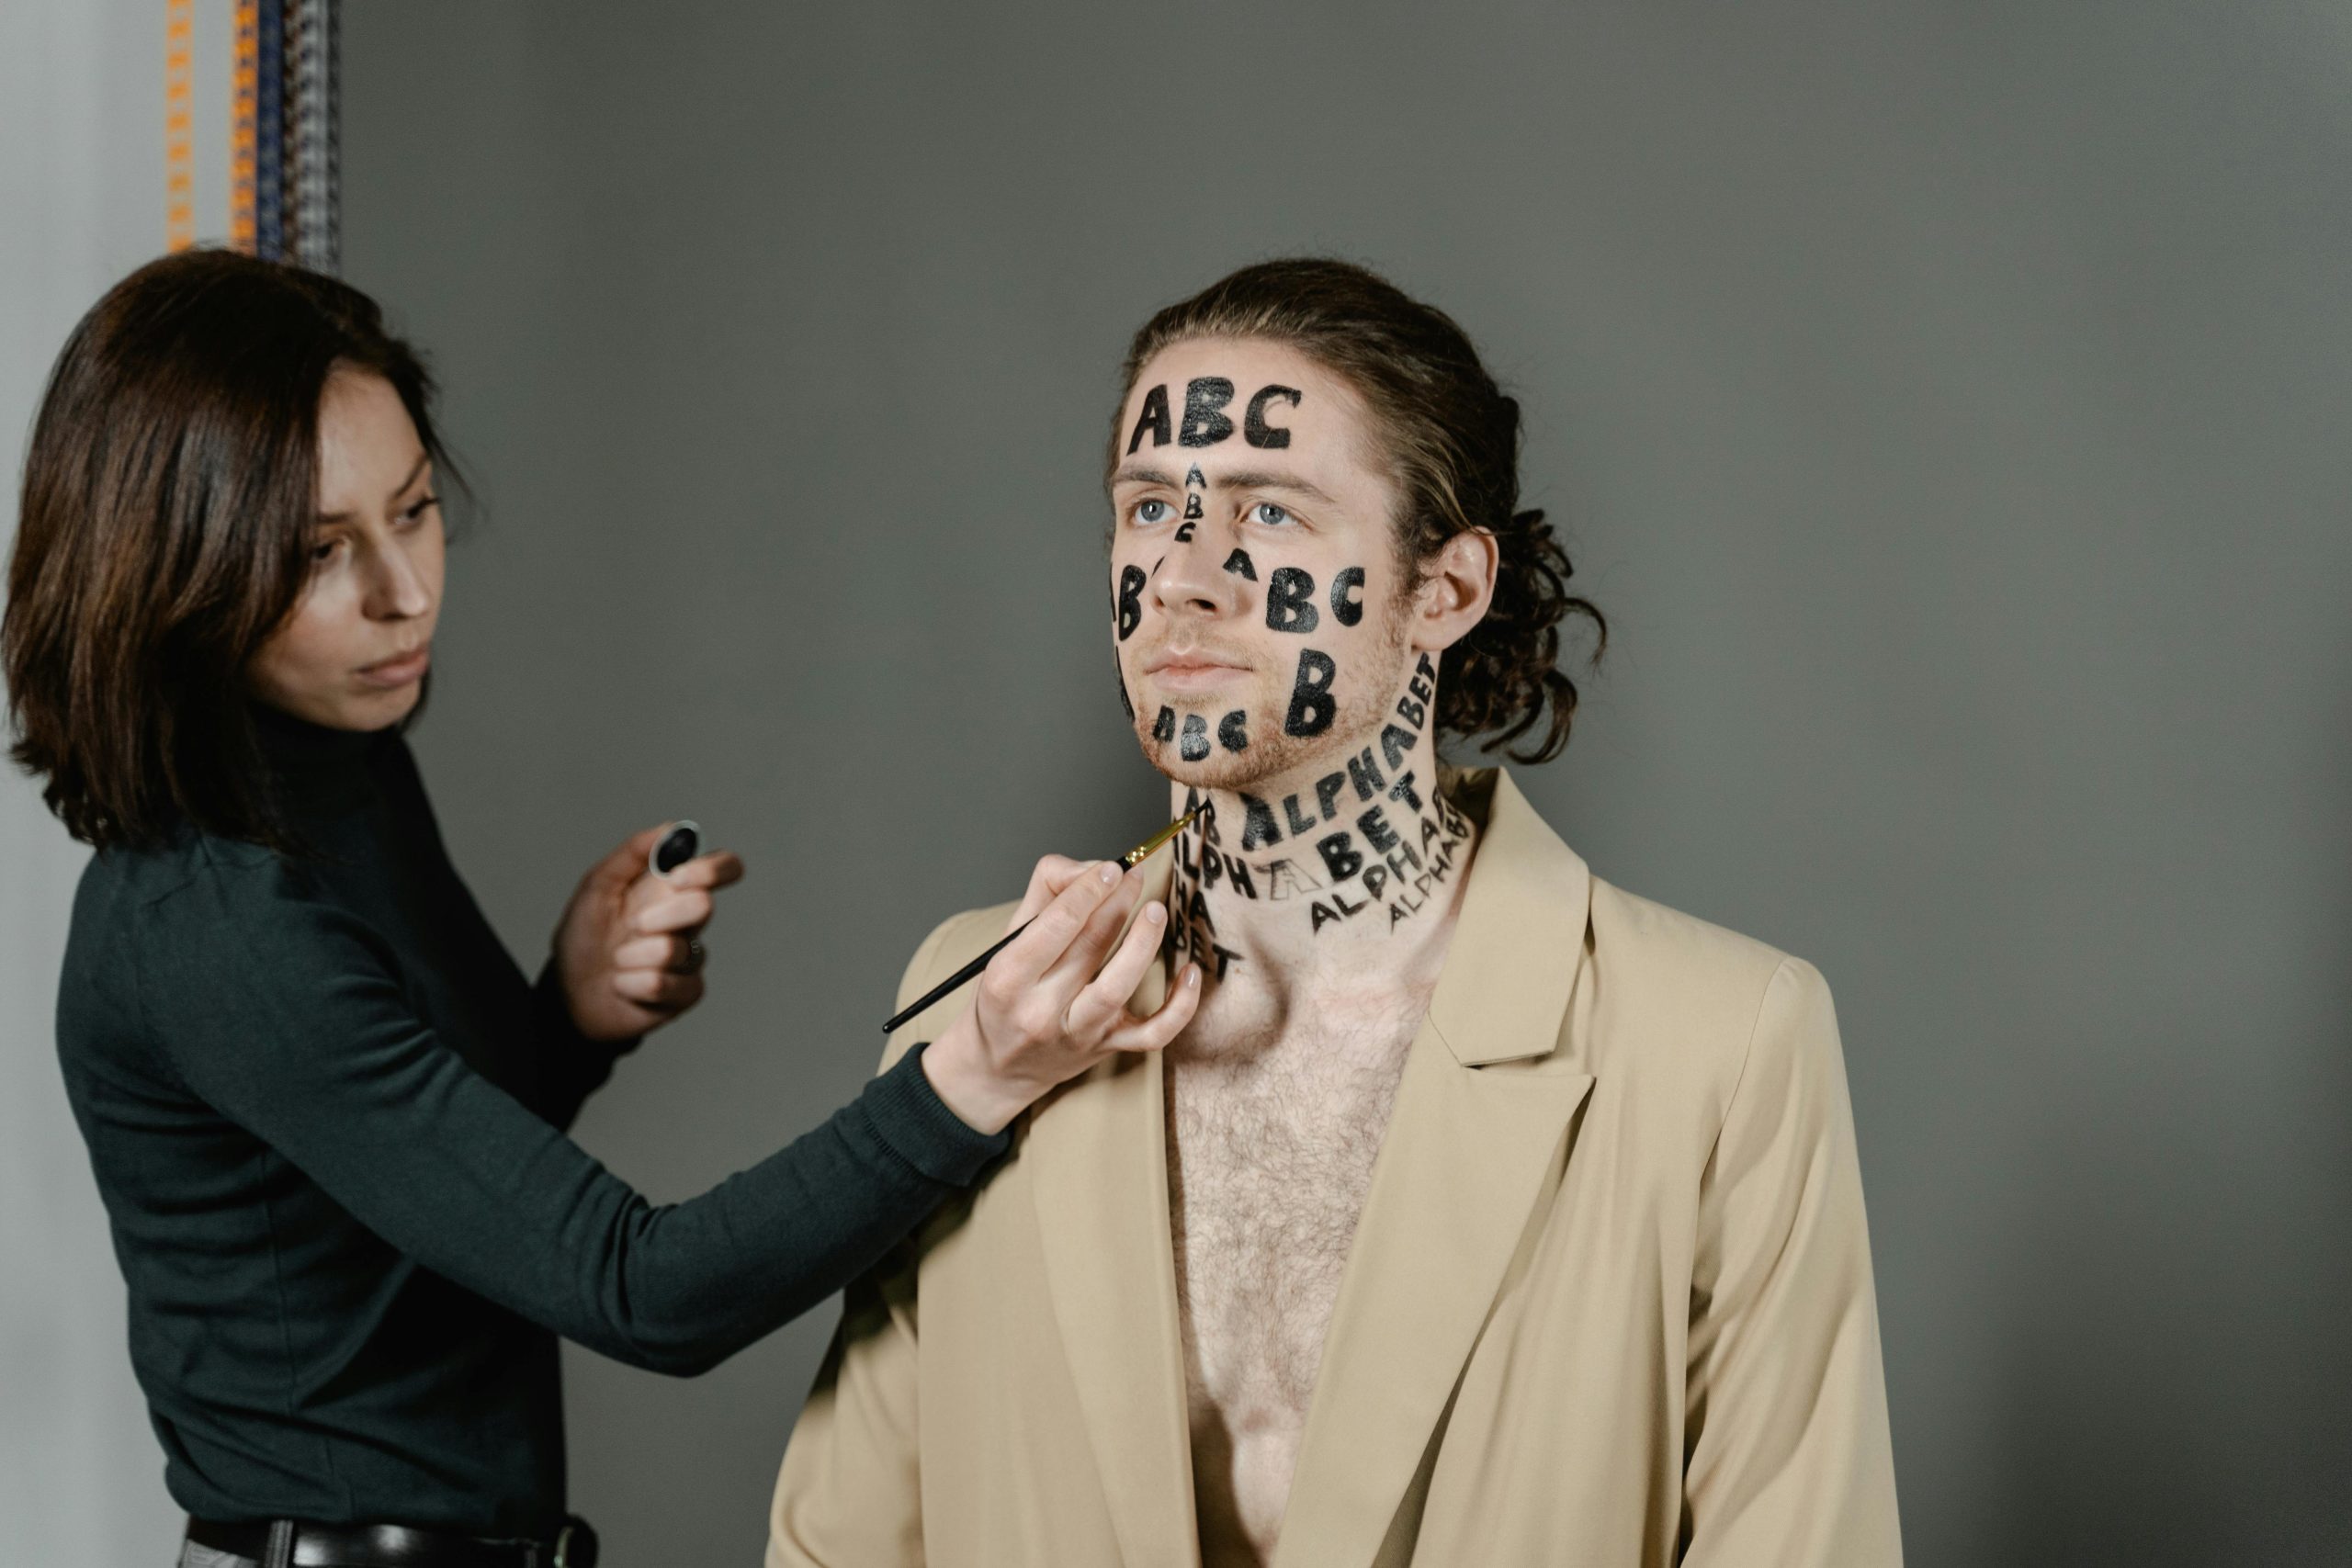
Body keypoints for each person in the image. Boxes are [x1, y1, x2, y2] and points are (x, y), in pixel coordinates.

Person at [2, 250, 1199, 1568]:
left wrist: (566, 1021)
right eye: (318, 553)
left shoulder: (334, 765)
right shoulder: (213, 921)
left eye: (413, 509)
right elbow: (644, 1290)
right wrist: (975, 1072)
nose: (404, 593)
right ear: (174, 571)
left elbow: (410, 1210)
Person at [766, 259, 1903, 1566]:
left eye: (1271, 511)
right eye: (1151, 507)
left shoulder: (1721, 1041)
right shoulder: (985, 993)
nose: (1182, 576)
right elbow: (841, 1544)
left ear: (1446, 590)